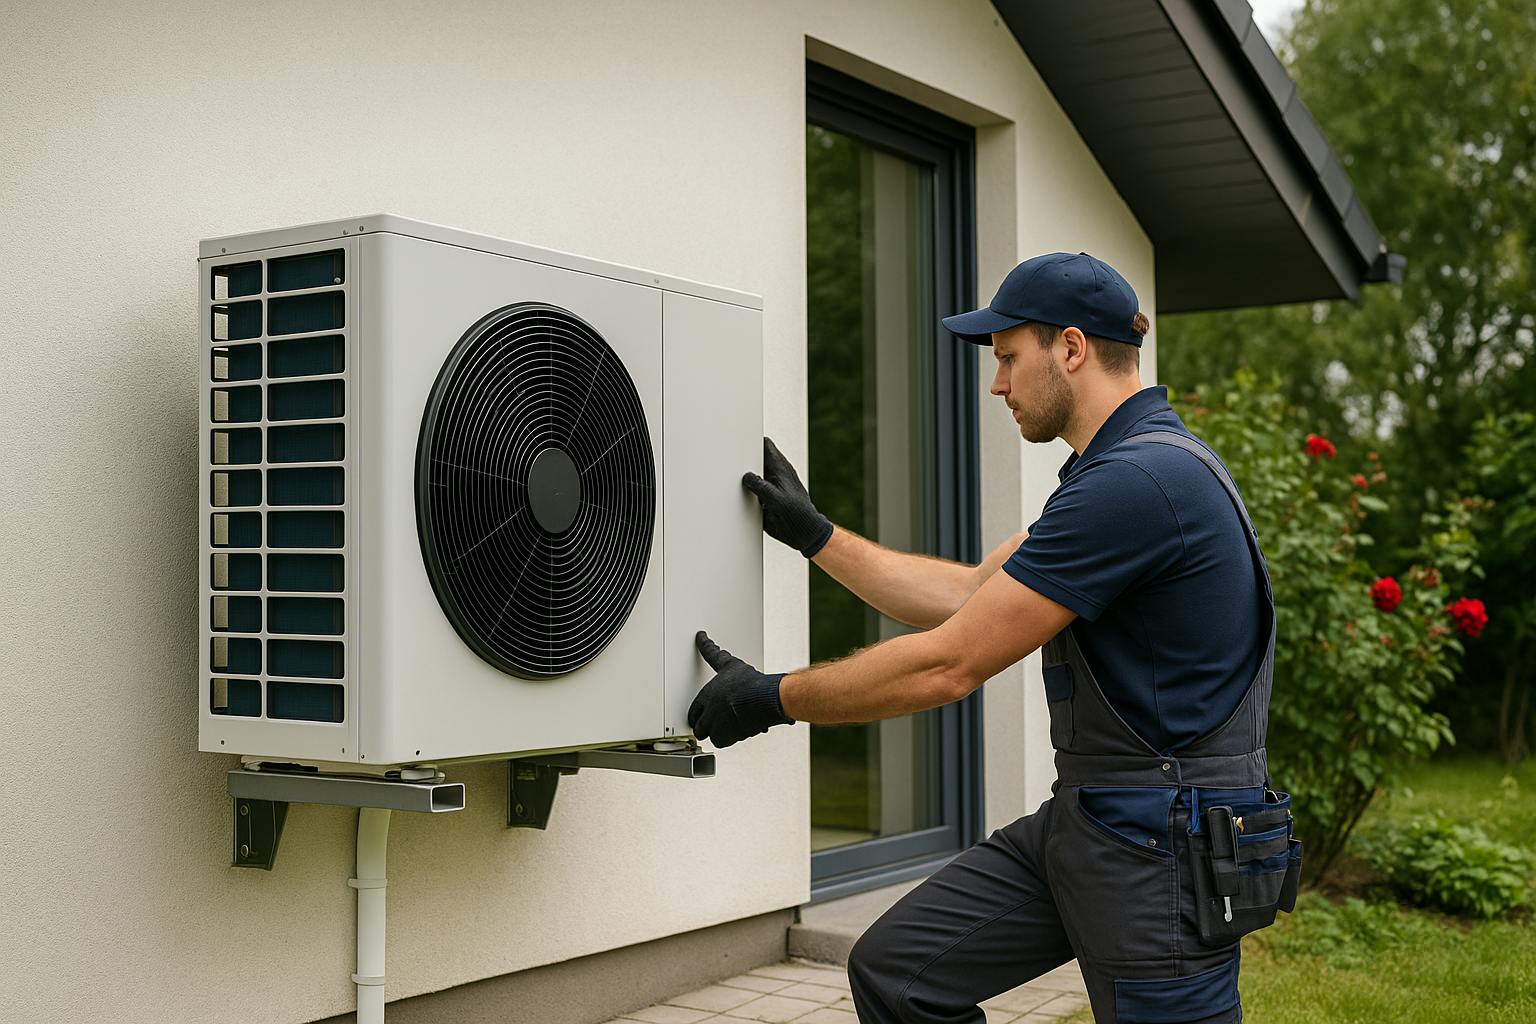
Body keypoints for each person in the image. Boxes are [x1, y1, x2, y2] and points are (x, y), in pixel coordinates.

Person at [689, 251, 1292, 1024]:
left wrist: (771, 698)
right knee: (899, 973)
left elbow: (951, 663)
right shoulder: (1112, 474)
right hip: (1095, 820)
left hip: (1163, 850)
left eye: (1009, 357)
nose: (997, 383)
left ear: (1071, 349)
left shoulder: (1139, 486)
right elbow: (966, 594)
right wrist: (817, 536)